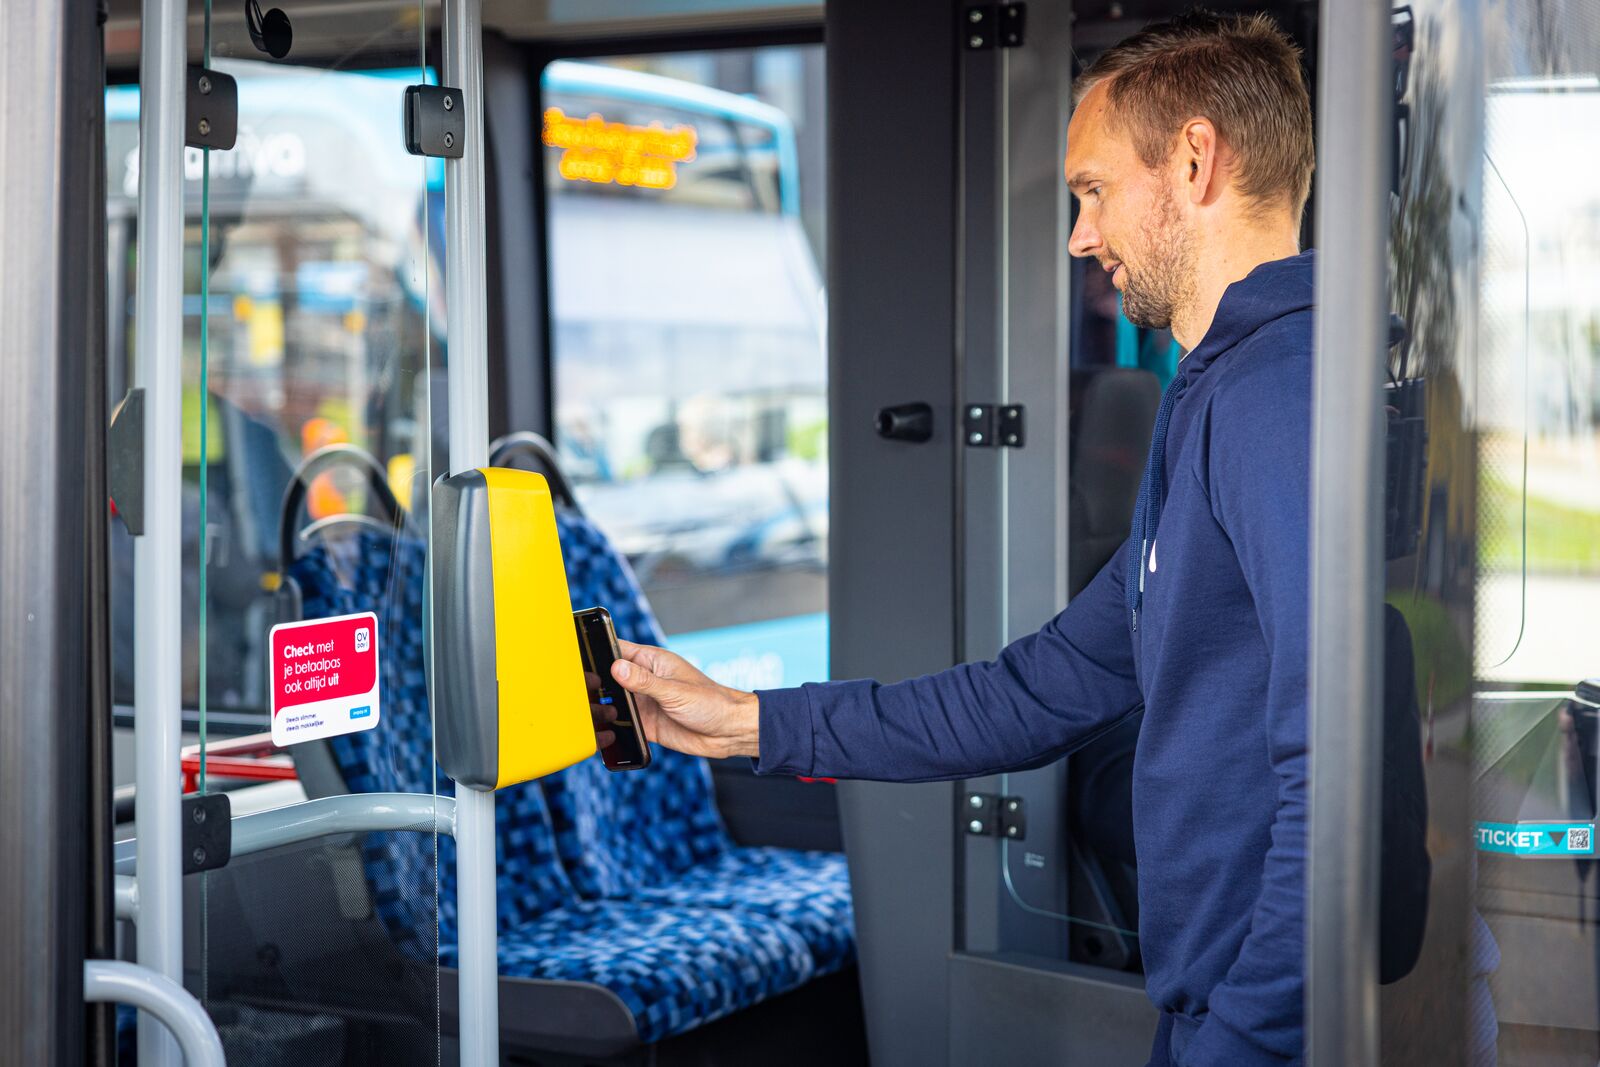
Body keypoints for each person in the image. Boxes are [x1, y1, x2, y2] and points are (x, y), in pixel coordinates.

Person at [601, 11, 1318, 1065]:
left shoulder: (1274, 397)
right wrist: (747, 721)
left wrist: (1244, 1039)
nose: (1080, 235)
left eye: (1092, 190)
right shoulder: (1217, 395)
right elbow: (1040, 688)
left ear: (1196, 160)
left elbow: (1335, 772)